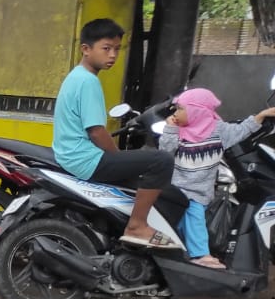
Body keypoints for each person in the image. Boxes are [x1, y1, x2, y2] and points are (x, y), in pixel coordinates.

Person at [53, 18, 173, 248]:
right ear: (86, 49)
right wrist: (117, 156)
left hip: (72, 156)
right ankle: (137, 226)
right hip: (85, 159)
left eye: (117, 49)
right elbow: (96, 132)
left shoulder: (76, 76)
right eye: (106, 48)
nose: (113, 55)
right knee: (162, 161)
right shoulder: (88, 81)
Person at [157, 87, 275, 268]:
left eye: (180, 108)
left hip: (200, 192)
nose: (175, 113)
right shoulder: (178, 131)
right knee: (191, 218)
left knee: (192, 219)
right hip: (177, 189)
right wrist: (170, 130)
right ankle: (199, 254)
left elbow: (242, 130)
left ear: (197, 111)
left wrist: (261, 116)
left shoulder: (218, 131)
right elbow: (165, 152)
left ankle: (194, 254)